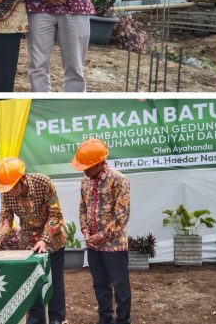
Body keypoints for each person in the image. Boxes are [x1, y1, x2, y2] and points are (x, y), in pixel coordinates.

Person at [0, 157, 67, 324]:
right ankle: (36, 316)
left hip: (53, 238)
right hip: (28, 242)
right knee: (31, 281)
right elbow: (5, 220)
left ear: (22, 179)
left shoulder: (43, 183)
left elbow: (55, 216)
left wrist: (45, 240)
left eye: (12, 188)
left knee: (54, 279)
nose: (9, 192)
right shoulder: (6, 192)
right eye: (7, 189)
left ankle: (56, 317)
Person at [73, 139, 131, 324]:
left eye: (87, 166)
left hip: (114, 245)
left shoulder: (119, 180)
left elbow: (122, 214)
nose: (84, 170)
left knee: (120, 286)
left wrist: (104, 236)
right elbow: (82, 207)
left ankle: (123, 320)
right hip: (93, 245)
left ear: (99, 163)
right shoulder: (85, 181)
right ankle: (105, 319)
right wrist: (85, 230)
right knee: (100, 285)